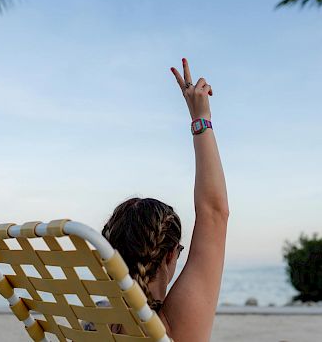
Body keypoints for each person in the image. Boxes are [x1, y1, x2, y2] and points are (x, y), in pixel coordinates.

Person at [85, 58, 229, 341]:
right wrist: (200, 117)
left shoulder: (95, 318)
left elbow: (215, 212)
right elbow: (213, 213)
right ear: (171, 254)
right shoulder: (174, 323)